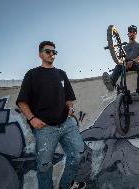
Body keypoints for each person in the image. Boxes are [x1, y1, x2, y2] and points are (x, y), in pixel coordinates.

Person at [16, 41, 86, 189]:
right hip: (45, 128)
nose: (52, 54)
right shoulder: (32, 74)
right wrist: (32, 119)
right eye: (48, 51)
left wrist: (70, 108)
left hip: (66, 124)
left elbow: (69, 98)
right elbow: (22, 102)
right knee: (44, 166)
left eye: (54, 52)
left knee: (78, 153)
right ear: (40, 54)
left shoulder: (61, 74)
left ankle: (66, 185)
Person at [102, 25, 139, 96]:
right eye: (130, 32)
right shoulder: (124, 47)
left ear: (136, 34)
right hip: (125, 64)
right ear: (128, 34)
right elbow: (119, 59)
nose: (132, 33)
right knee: (118, 66)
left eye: (134, 32)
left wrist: (133, 61)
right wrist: (124, 63)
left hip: (135, 63)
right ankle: (111, 83)